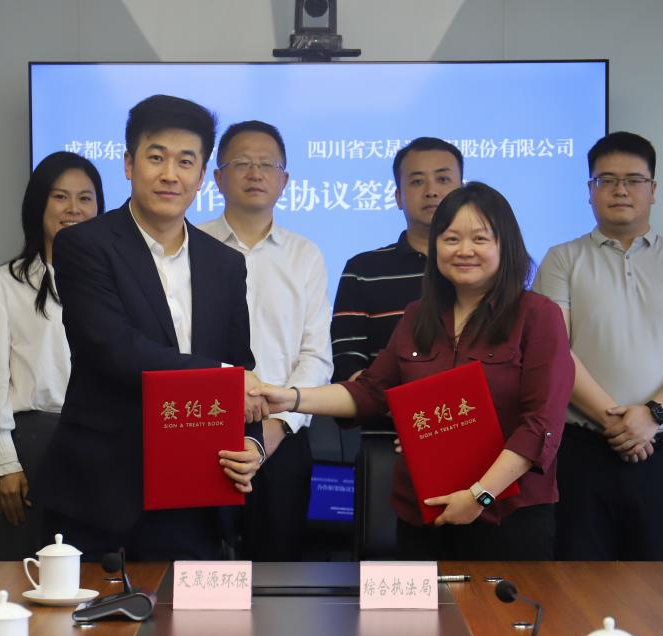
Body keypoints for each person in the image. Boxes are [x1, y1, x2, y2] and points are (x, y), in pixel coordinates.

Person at [254, 182, 573, 561]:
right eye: (451, 238)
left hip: (507, 515)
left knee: (501, 604)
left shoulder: (537, 315)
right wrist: (290, 398)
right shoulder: (418, 315)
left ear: (507, 245)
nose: (464, 250)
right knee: (424, 603)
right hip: (423, 512)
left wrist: (480, 496)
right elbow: (370, 393)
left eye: (480, 238)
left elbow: (541, 425)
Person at [31, 94, 267, 562]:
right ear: (128, 164)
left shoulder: (225, 263)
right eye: (156, 157)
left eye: (185, 161)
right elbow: (114, 349)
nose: (170, 174)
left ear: (202, 175)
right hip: (103, 495)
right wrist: (224, 377)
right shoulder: (84, 245)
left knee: (193, 612)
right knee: (92, 613)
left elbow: (241, 364)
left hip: (198, 487)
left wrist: (252, 442)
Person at [534, 131, 663, 562]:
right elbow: (554, 352)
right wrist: (618, 424)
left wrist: (651, 415)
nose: (621, 190)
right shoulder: (562, 259)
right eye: (607, 180)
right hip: (583, 451)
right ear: (590, 189)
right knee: (578, 586)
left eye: (634, 180)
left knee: (658, 588)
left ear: (653, 189)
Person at [199, 121, 332, 561]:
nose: (255, 173)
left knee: (278, 568)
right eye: (241, 163)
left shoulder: (305, 255)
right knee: (200, 567)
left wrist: (275, 429)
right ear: (217, 178)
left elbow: (316, 356)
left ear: (284, 180)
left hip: (284, 436)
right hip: (200, 425)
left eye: (267, 164)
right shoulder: (190, 245)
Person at [0, 152, 106, 562]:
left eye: (85, 198)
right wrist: (3, 464)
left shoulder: (117, 283)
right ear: (38, 206)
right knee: (26, 577)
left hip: (106, 447)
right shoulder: (5, 283)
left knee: (98, 576)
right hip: (35, 449)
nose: (73, 208)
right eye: (60, 197)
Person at [330, 137, 463, 385]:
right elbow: (346, 360)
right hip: (385, 408)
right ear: (398, 197)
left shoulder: (482, 267)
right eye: (417, 181)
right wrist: (400, 402)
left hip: (473, 408)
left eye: (443, 179)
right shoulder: (362, 271)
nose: (431, 191)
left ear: (463, 192)